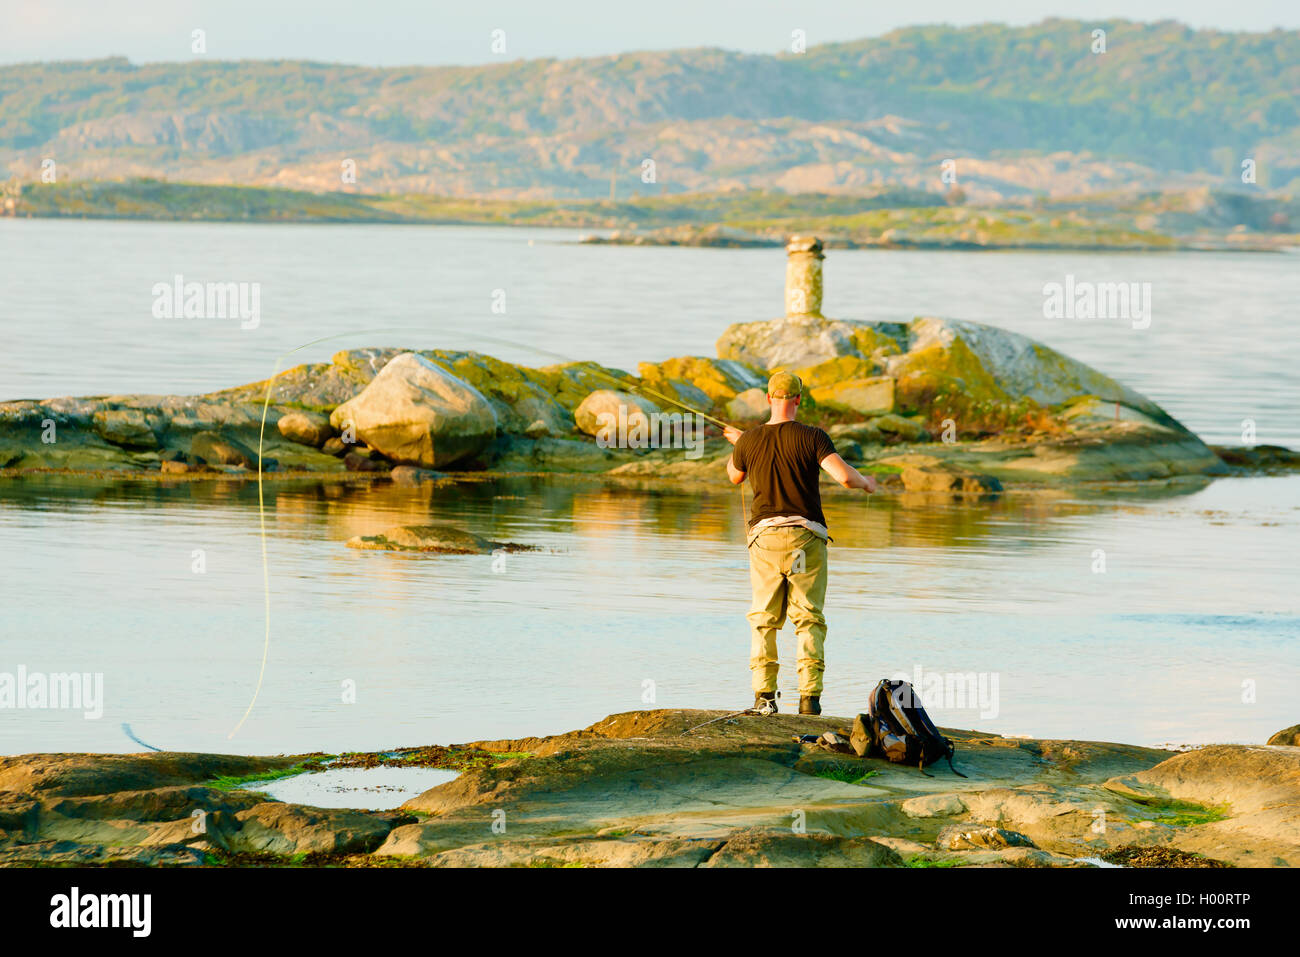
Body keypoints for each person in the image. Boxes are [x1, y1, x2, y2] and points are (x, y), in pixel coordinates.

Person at [723, 371, 877, 715]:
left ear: (767, 399)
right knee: (808, 617)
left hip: (764, 539)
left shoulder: (749, 440)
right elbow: (844, 477)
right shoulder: (813, 437)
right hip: (806, 538)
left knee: (763, 618)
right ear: (797, 400)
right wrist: (867, 483)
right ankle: (809, 700)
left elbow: (734, 475)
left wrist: (741, 443)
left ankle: (765, 699)